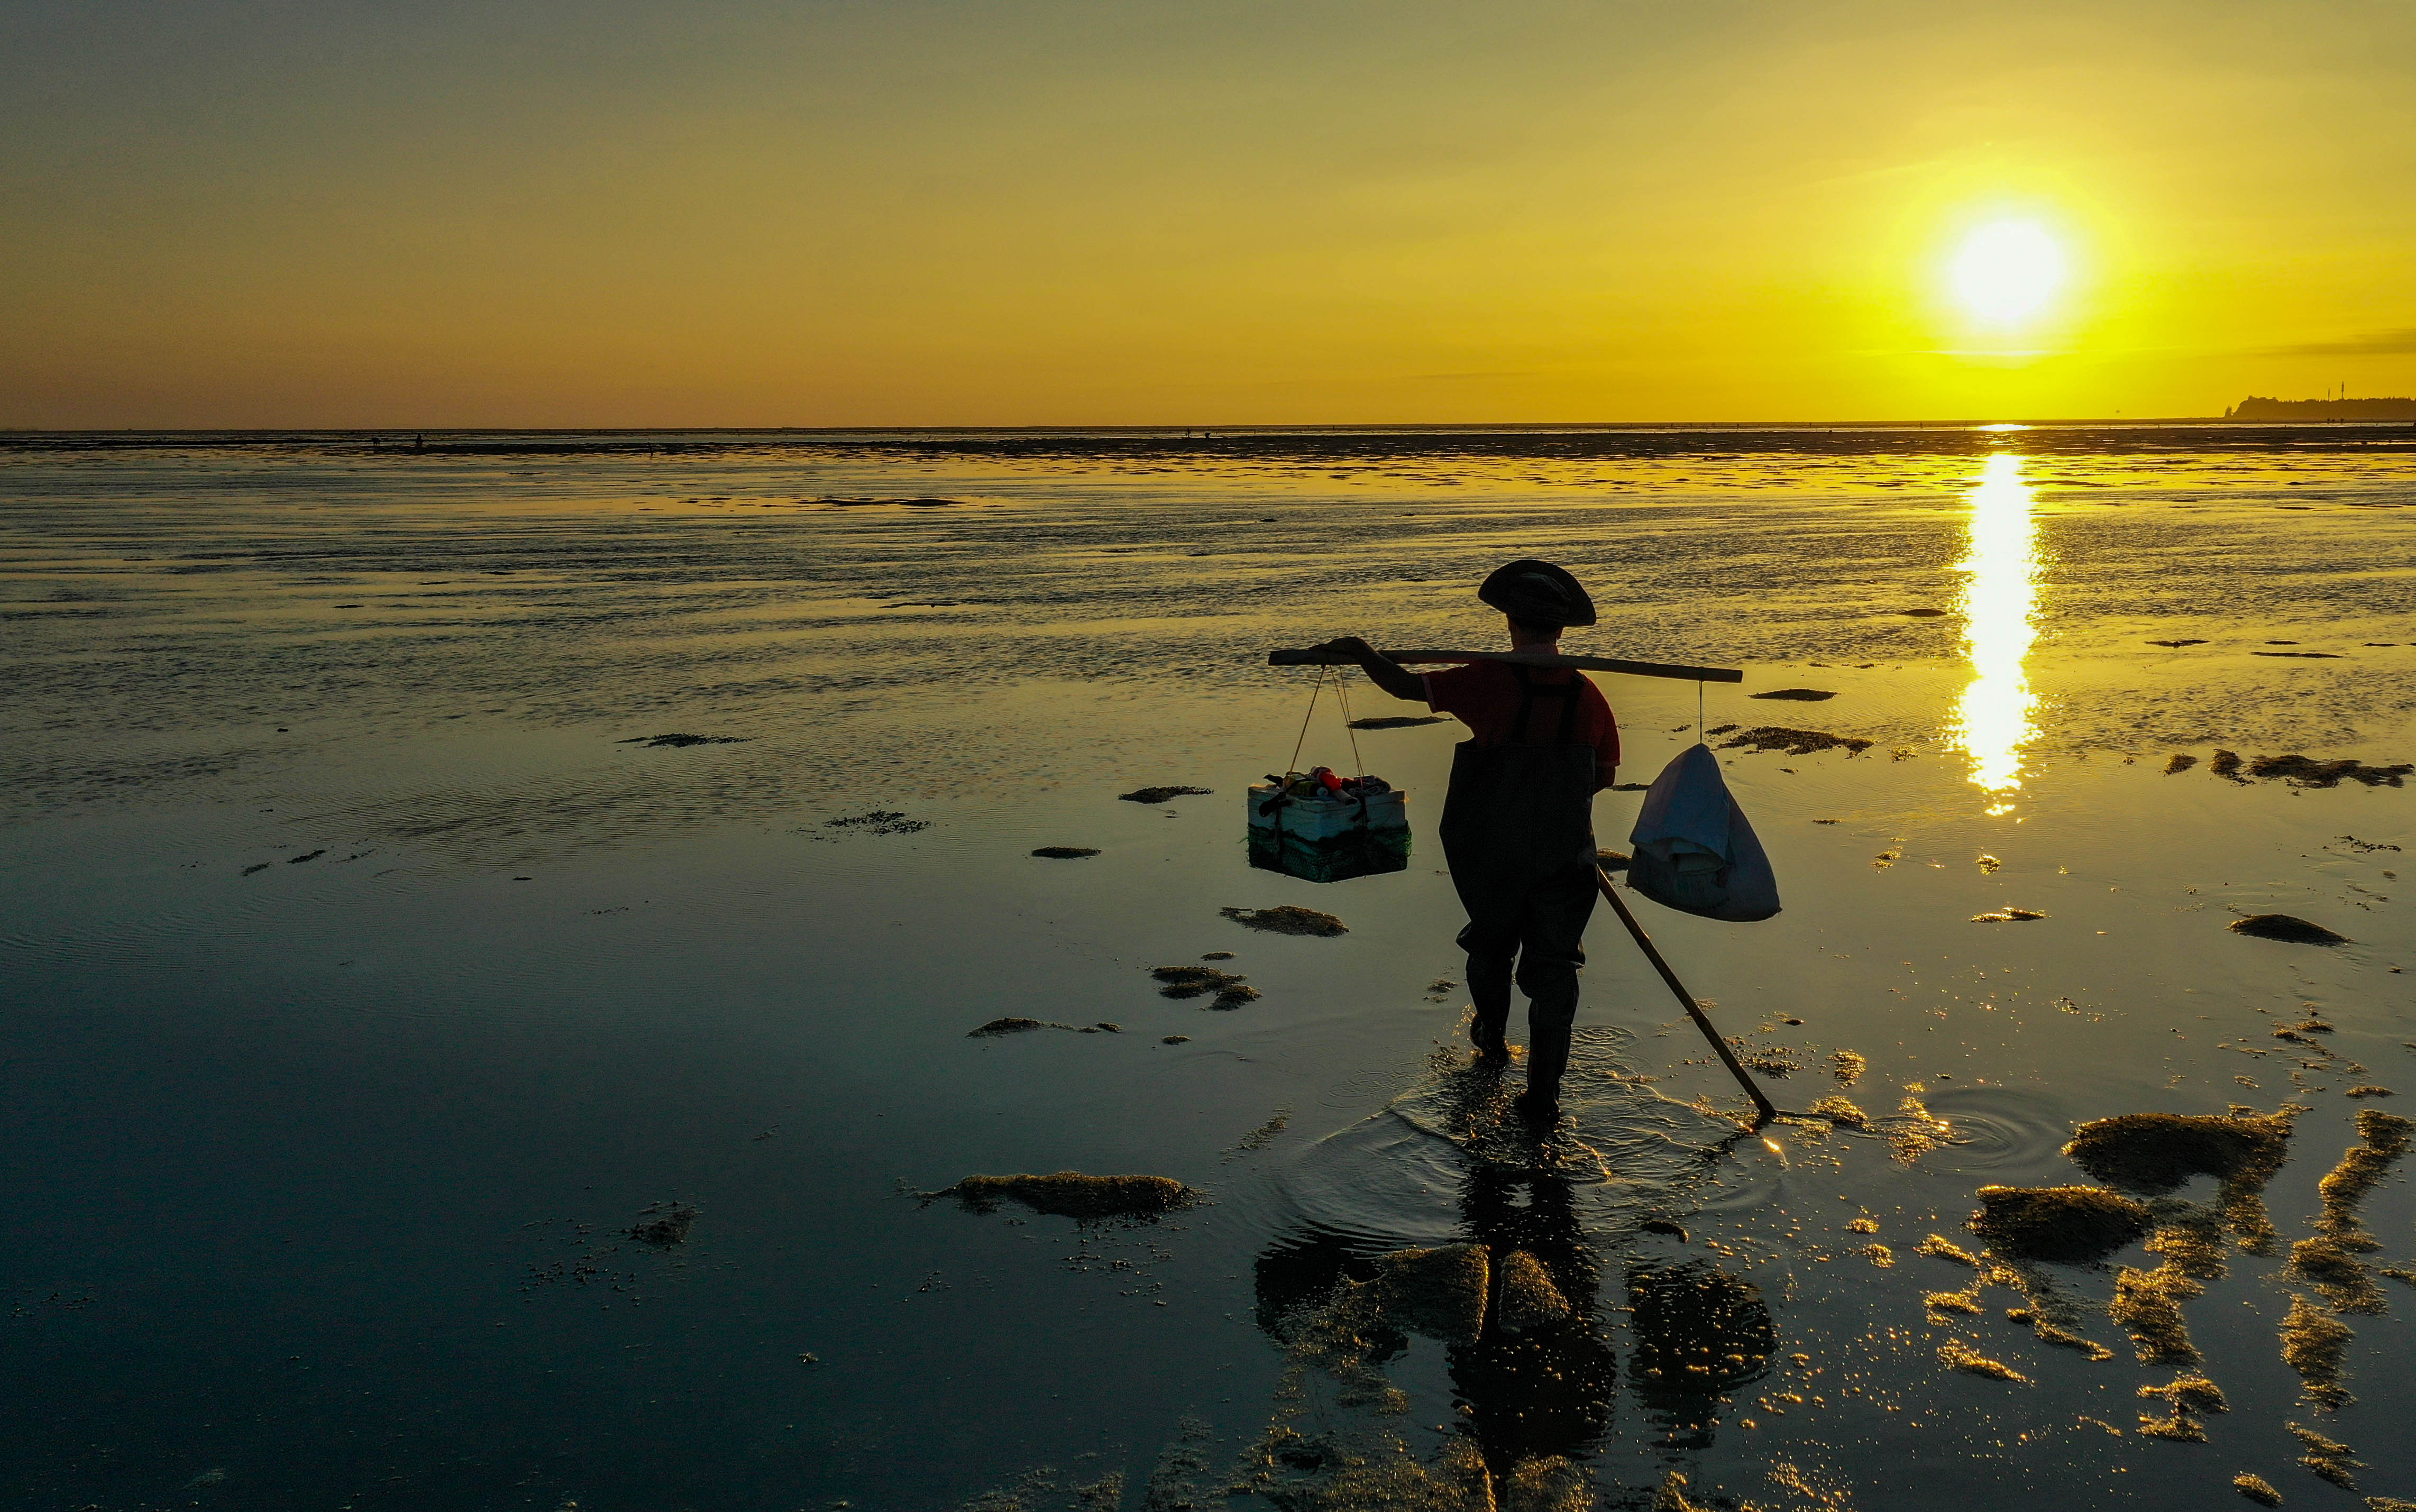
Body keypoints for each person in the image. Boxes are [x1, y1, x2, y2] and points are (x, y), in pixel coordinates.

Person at [1316, 559, 1617, 1120]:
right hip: (1564, 852)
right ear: (1560, 630)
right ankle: (1543, 1095)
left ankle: (1493, 1045)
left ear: (1511, 622)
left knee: (1490, 943)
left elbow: (1410, 687)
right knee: (1554, 968)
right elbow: (1603, 776)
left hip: (1491, 849)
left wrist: (1361, 652)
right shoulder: (1586, 694)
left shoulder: (1489, 678)